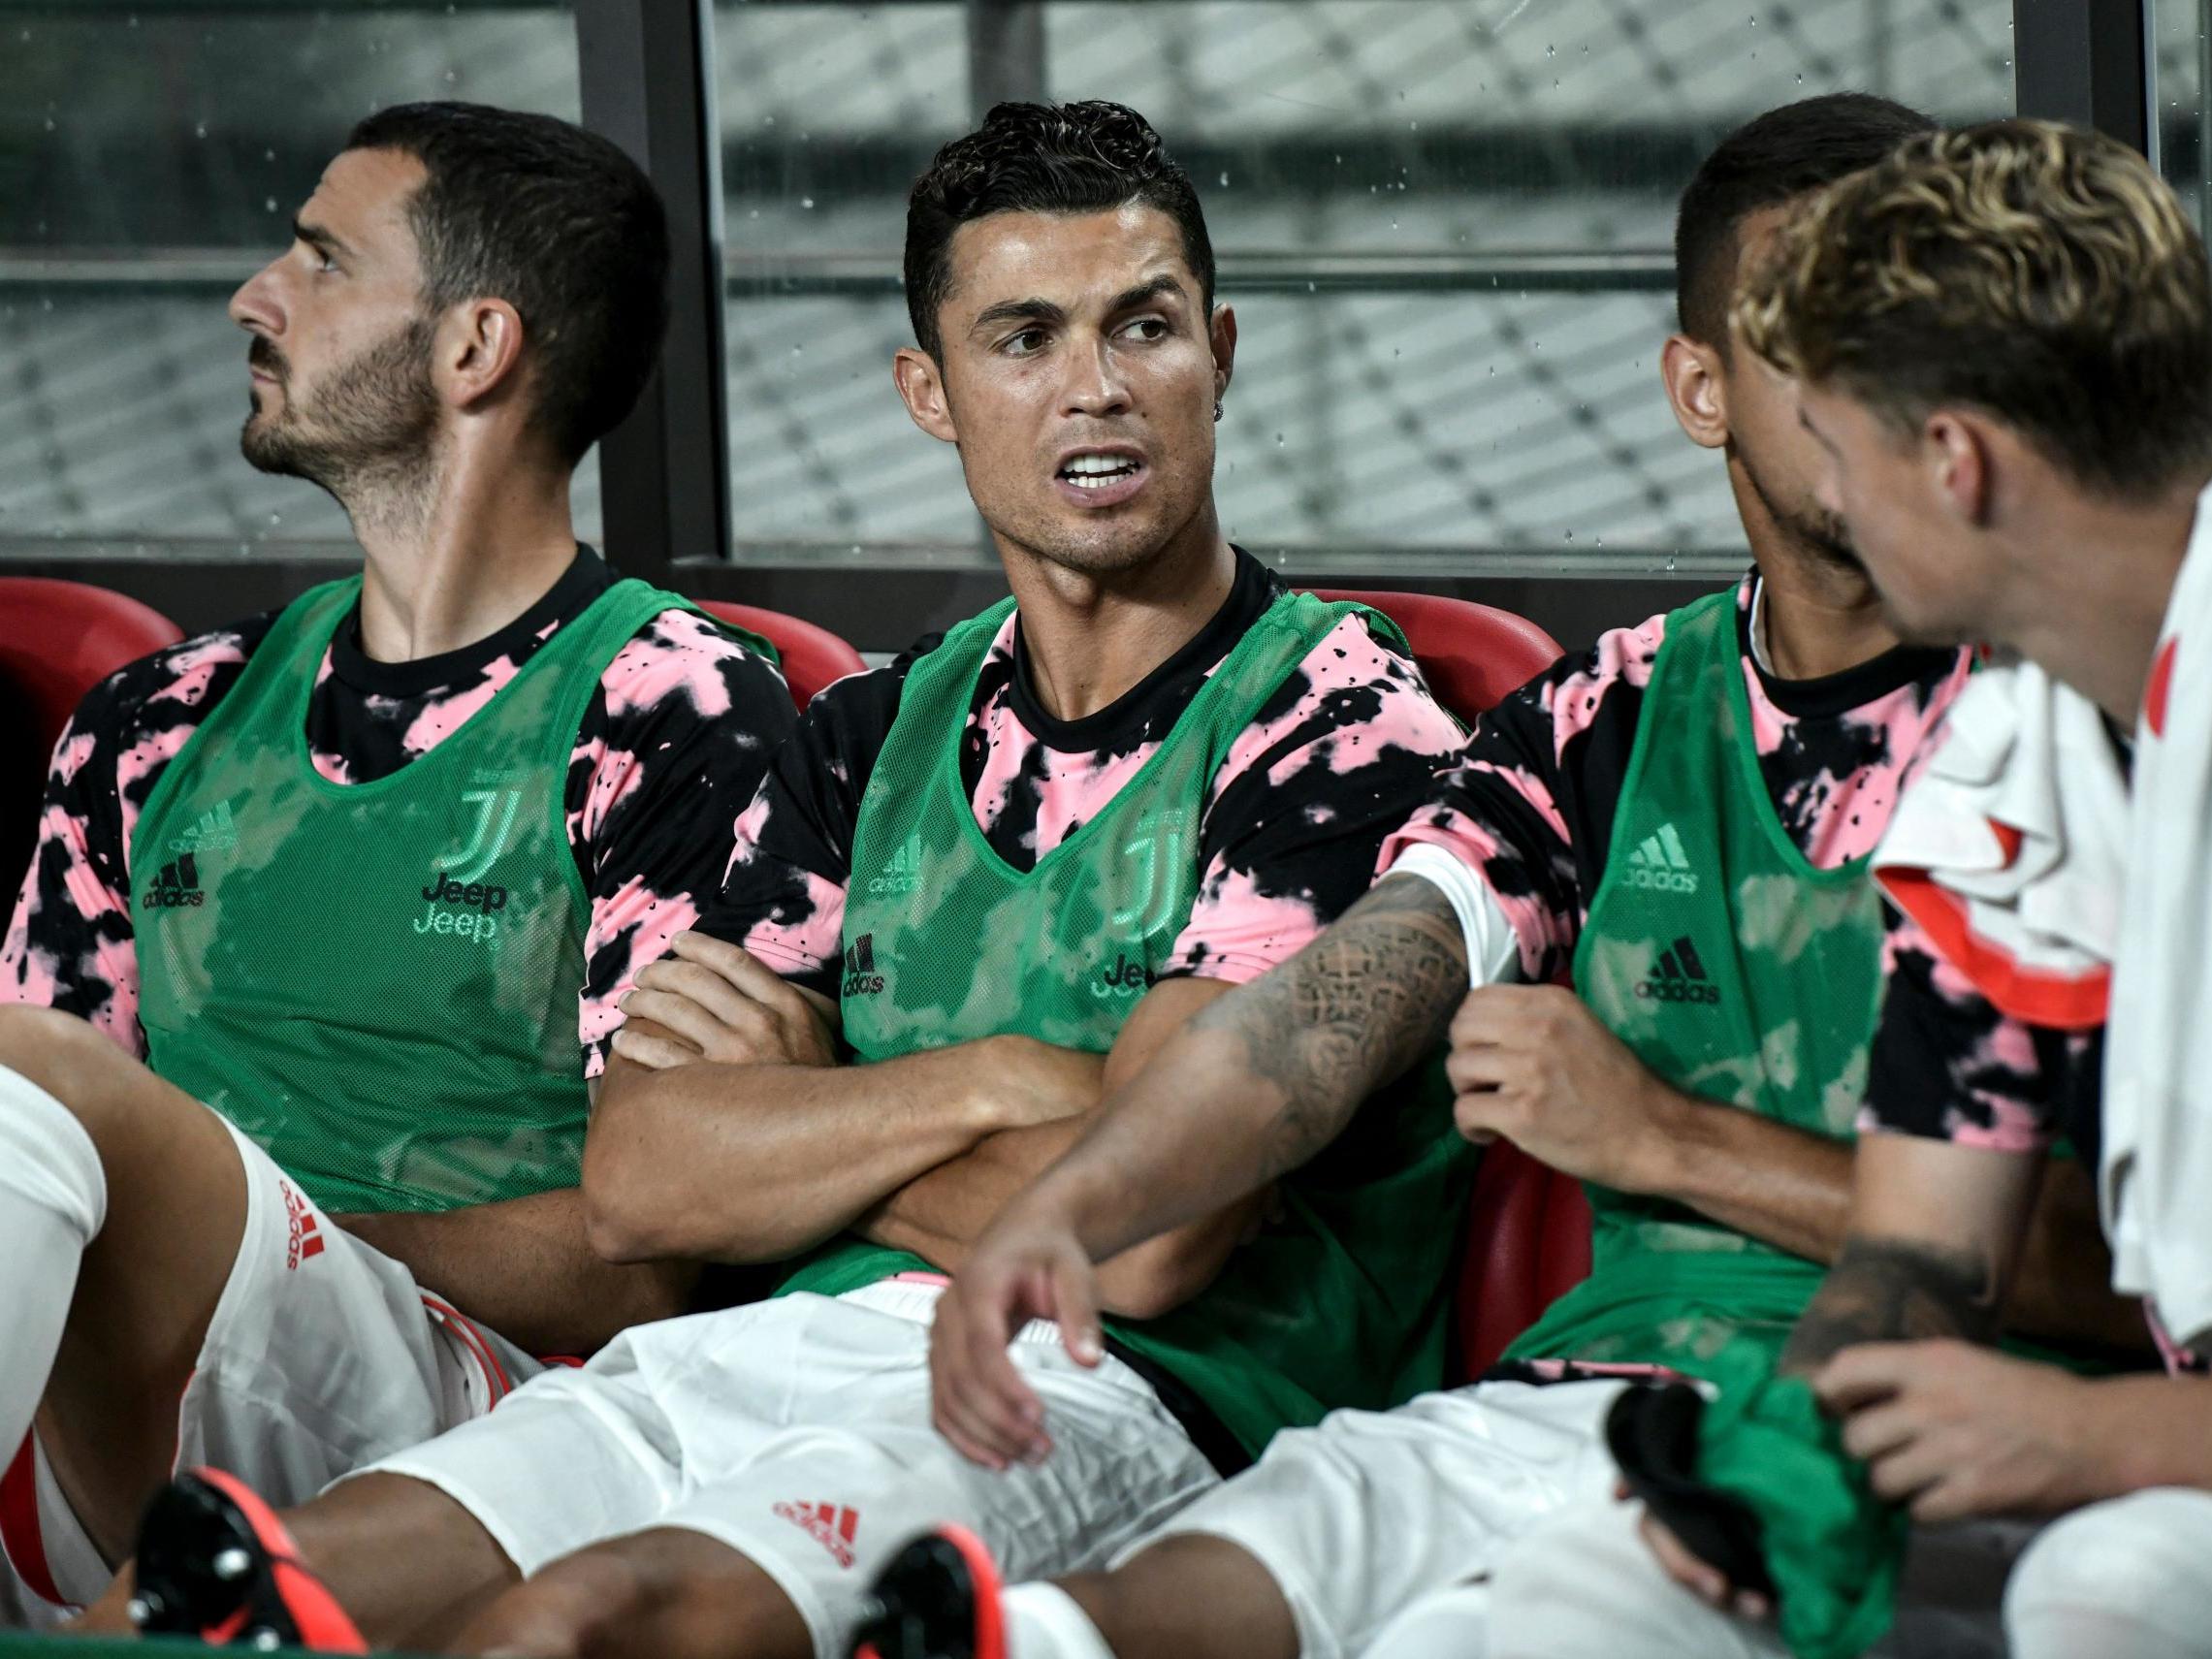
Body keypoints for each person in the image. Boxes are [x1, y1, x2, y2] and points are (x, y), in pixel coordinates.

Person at [109, 99, 1471, 1659]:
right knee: (220, 1596)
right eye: (1022, 338)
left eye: (1143, 326)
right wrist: (1013, 1082)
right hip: (765, 1347)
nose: (1096, 388)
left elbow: (1147, 1237)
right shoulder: (868, 730)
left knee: (579, 1624)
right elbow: (645, 1180)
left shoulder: (1339, 717)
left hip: (1121, 1385)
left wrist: (816, 1128)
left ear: (1219, 355)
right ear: (930, 394)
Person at [882, 94, 2145, 1659]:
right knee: (1213, 1562)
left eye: (1915, 350)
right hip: (1598, 1397)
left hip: (1996, 1425)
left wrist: (1667, 1137)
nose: (1863, 406)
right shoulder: (1612, 716)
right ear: (1700, 386)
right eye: (1815, 343)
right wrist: (1081, 1193)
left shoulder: (2067, 723)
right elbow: (1343, 996)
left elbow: (2048, 1275)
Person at [0, 101, 793, 1615]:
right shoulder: (157, 722)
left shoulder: (672, 709)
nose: (254, 295)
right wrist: (182, 1236)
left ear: (472, 347)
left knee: (41, 1082)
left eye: (318, 257)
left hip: (470, 1413)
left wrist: (226, 1220)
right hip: (101, 1411)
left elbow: (650, 1260)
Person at [1593, 118, 2212, 1659]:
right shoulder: (2015, 758)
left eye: (1834, 431)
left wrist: (2102, 1443)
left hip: (2153, 1470)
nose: (1828, 495)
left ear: (1952, 462)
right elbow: (1919, 1251)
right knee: (1599, 1596)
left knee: (2105, 1589)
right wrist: (1792, 1465)